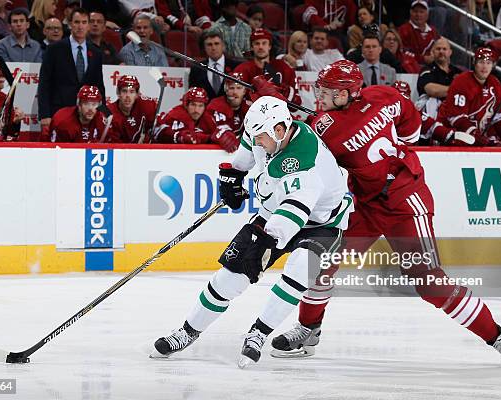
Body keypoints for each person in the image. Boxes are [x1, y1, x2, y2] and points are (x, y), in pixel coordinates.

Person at [265, 60, 501, 369]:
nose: (318, 97)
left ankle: (498, 335)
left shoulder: (328, 128)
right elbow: (412, 128)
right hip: (367, 203)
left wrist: (273, 103)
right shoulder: (383, 94)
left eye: (325, 92)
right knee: (323, 259)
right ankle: (308, 330)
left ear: (345, 94)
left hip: (406, 202)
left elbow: (299, 151)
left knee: (428, 281)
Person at [151, 95, 353, 367]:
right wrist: (233, 175)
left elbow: (294, 211)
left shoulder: (305, 162)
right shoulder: (266, 132)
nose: (257, 141)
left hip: (321, 224)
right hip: (275, 211)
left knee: (298, 270)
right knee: (232, 275)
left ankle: (259, 332)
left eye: (261, 137)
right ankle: (187, 331)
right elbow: (247, 148)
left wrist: (268, 240)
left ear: (280, 130)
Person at [437, 47, 501, 147]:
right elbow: (455, 117)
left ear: (493, 65)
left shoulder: (495, 83)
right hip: (452, 135)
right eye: (481, 62)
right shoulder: (462, 82)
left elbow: (499, 115)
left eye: (488, 63)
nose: (484, 67)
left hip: (478, 136)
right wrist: (473, 133)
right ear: (474, 62)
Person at [37, 8, 105, 133]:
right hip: (59, 112)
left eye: (84, 23)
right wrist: (44, 115)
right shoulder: (54, 49)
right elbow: (44, 84)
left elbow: (99, 85)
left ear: (89, 26)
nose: (80, 26)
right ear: (70, 24)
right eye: (77, 22)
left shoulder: (96, 52)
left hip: (87, 116)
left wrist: (104, 113)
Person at [393, 80, 474, 146]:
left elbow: (433, 127)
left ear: (410, 99)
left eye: (405, 98)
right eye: (398, 97)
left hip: (405, 157)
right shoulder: (382, 113)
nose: (402, 102)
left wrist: (452, 136)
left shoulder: (414, 115)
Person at [234, 28, 301, 107]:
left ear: (270, 46)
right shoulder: (242, 69)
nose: (261, 47)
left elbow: (297, 103)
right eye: (257, 43)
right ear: (252, 47)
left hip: (278, 115)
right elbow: (235, 100)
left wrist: (281, 90)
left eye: (264, 43)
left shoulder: (283, 68)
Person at [107, 75, 158, 144]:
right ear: (118, 93)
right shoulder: (109, 112)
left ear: (137, 94)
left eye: (132, 91)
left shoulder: (147, 105)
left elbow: (157, 129)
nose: (128, 96)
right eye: (124, 91)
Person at [188, 31, 239, 100]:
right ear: (204, 47)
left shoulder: (236, 66)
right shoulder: (196, 68)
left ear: (223, 46)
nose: (213, 48)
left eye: (216, 44)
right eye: (209, 44)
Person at [416, 37, 459, 117]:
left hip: (454, 112)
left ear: (450, 52)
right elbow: (432, 90)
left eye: (444, 49)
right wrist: (458, 90)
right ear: (432, 52)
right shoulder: (426, 70)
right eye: (438, 49)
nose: (441, 51)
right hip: (431, 116)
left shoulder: (457, 72)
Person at [206, 72, 248, 153]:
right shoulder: (215, 105)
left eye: (239, 88)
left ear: (244, 91)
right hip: (216, 153)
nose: (235, 92)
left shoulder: (250, 108)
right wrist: (221, 133)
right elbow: (209, 130)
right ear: (226, 90)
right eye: (232, 88)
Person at [397, 0, 439, 65]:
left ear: (427, 14)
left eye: (421, 12)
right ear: (410, 13)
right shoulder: (403, 30)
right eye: (415, 11)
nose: (418, 14)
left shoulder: (433, 31)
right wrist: (423, 59)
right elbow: (402, 53)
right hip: (409, 68)